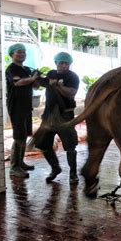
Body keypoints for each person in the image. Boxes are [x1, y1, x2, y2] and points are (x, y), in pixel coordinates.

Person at [36, 52, 80, 184]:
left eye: (66, 63)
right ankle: (55, 168)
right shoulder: (51, 73)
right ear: (56, 63)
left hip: (65, 115)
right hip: (49, 115)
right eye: (61, 63)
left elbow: (71, 93)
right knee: (43, 144)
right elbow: (40, 84)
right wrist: (36, 78)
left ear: (69, 64)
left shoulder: (73, 77)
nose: (63, 65)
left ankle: (73, 173)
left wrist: (59, 85)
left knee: (70, 146)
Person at [5, 43, 40, 178]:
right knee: (19, 137)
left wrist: (36, 78)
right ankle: (14, 167)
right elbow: (18, 83)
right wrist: (32, 78)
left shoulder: (26, 69)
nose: (22, 54)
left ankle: (21, 162)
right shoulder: (11, 69)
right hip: (16, 107)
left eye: (24, 52)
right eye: (18, 52)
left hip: (26, 106)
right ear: (12, 54)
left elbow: (36, 86)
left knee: (24, 135)